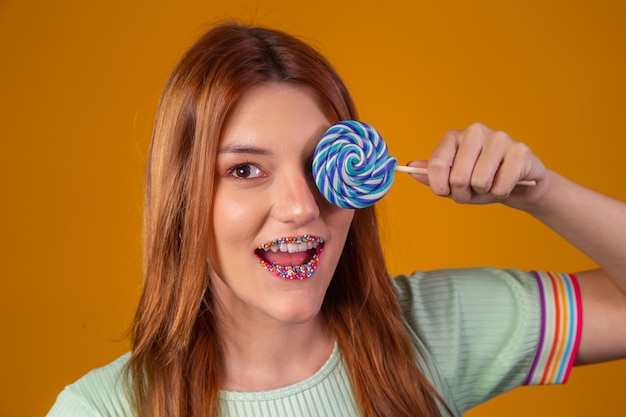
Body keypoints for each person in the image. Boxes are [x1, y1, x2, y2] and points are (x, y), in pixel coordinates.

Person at [46, 22, 626, 417]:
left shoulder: (429, 333)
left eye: (317, 163)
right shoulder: (102, 408)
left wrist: (541, 192)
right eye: (246, 170)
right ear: (182, 195)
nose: (301, 207)